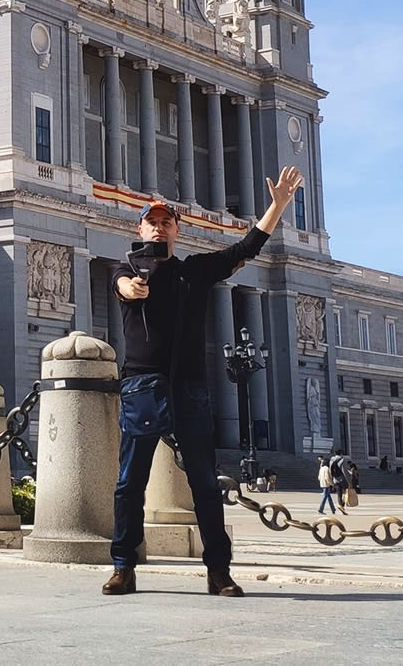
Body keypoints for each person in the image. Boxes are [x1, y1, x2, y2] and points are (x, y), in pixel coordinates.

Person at [101, 164, 305, 600]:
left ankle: (219, 571)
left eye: (165, 222)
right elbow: (121, 284)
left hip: (189, 388)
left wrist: (278, 206)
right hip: (141, 385)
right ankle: (123, 566)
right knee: (128, 483)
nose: (158, 228)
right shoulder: (126, 267)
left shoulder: (193, 271)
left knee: (205, 485)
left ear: (177, 230)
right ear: (140, 228)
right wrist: (130, 287)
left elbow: (244, 248)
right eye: (151, 222)